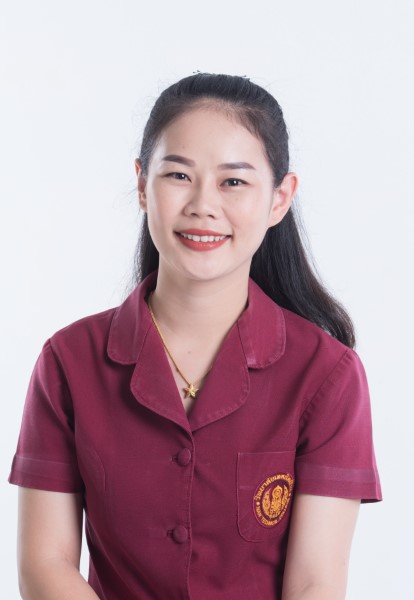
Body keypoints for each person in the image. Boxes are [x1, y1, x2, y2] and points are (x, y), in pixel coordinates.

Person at [9, 73, 382, 600]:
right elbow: (45, 565)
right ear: (143, 185)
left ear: (280, 199)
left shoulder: (327, 374)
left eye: (234, 182)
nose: (203, 205)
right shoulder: (68, 361)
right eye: (179, 175)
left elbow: (314, 583)